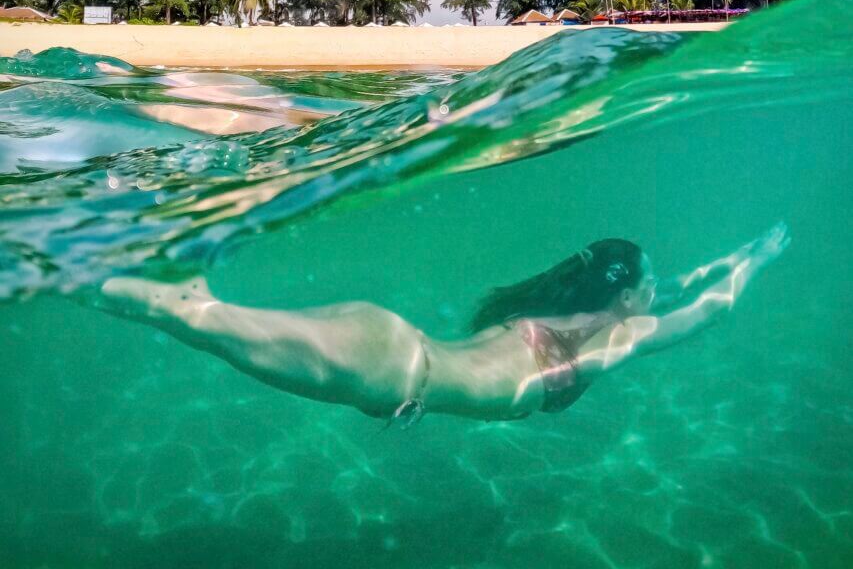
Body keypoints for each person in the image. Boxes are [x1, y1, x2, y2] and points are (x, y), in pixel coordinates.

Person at [95, 224, 790, 427]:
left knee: (191, 312)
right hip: (387, 365)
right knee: (179, 315)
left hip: (387, 349)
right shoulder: (615, 335)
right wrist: (755, 262)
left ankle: (122, 272)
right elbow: (702, 313)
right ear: (628, 297)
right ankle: (74, 273)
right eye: (650, 283)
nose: (657, 292)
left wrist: (727, 256)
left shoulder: (550, 306)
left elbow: (674, 289)